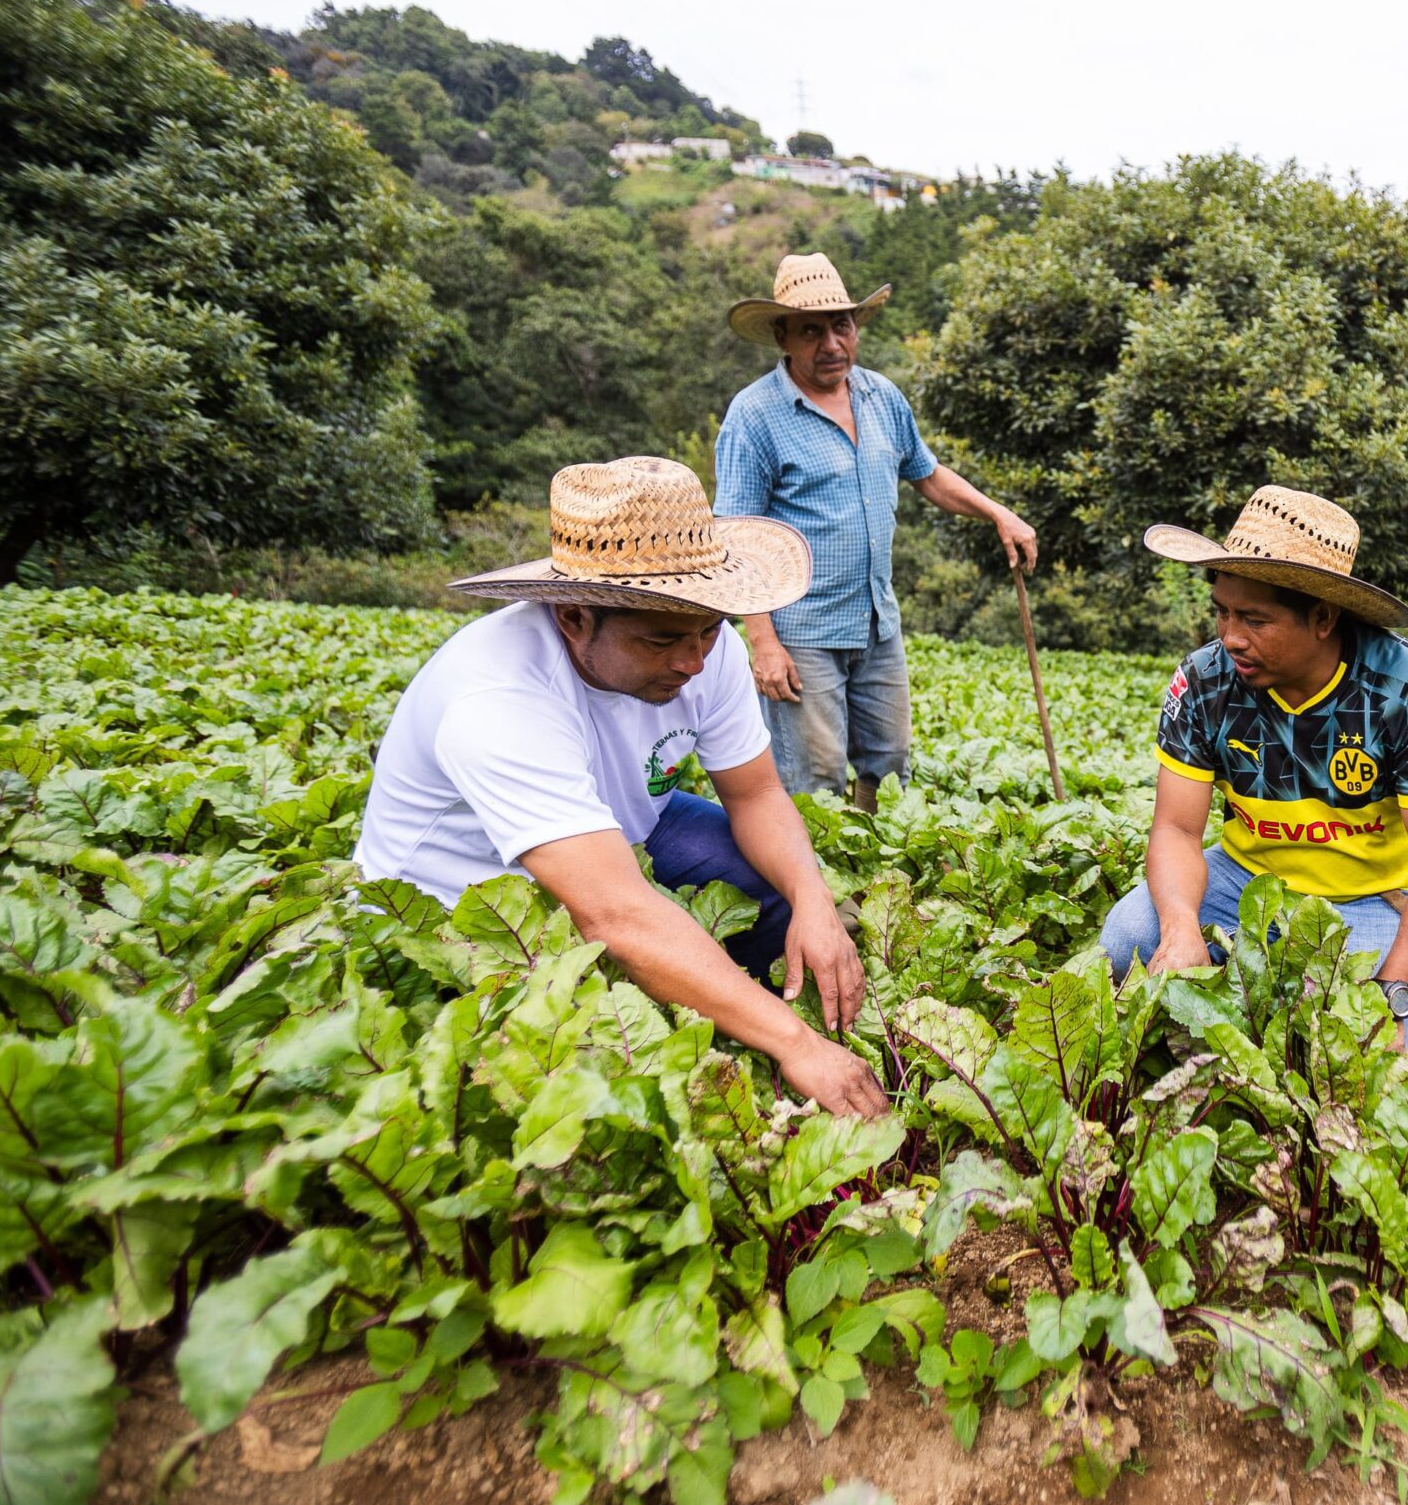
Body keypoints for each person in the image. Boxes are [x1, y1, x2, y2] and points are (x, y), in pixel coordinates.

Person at [356, 456, 888, 1117]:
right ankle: (764, 1029)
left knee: (783, 902)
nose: (694, 662)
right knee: (570, 1051)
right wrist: (795, 1044)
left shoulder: (702, 639)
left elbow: (755, 794)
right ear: (575, 616)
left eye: (708, 631)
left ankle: (753, 1009)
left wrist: (812, 897)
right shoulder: (496, 697)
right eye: (662, 640)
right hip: (466, 902)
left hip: (621, 834)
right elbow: (613, 913)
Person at [1099, 487, 1408, 1043]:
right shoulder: (1204, 680)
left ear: (1323, 617)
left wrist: (1393, 989)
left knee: (1387, 1045)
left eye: (1254, 619)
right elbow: (1177, 829)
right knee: (1127, 937)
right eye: (1223, 613)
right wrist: (1180, 927)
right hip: (1241, 881)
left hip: (1366, 901)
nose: (1230, 637)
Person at [714, 252, 1038, 812]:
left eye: (841, 326)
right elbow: (737, 536)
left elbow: (928, 474)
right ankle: (822, 893)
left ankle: (872, 882)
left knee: (888, 766)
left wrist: (996, 512)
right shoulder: (755, 415)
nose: (832, 344)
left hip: (876, 621)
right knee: (814, 777)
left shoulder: (880, 396)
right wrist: (762, 643)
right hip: (802, 629)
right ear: (782, 336)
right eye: (812, 331)